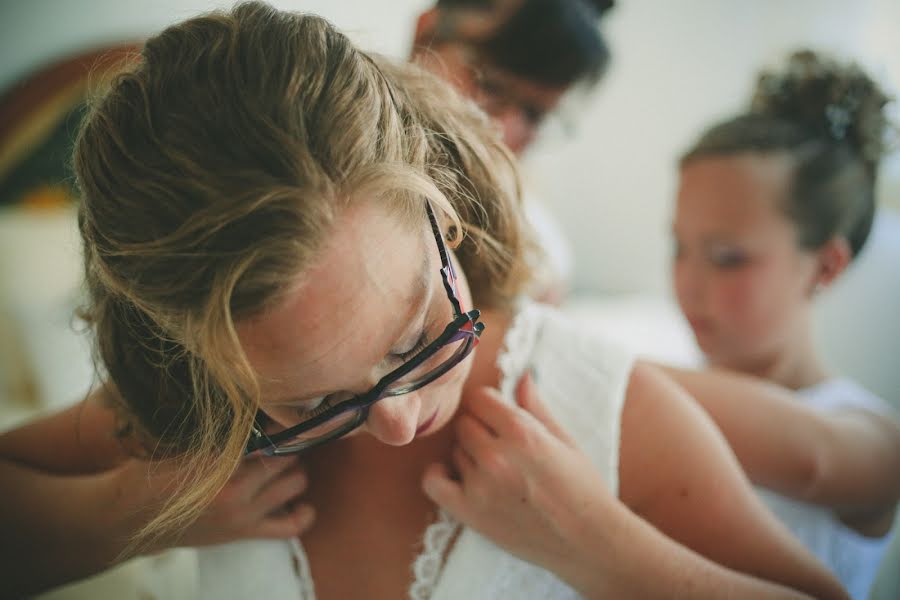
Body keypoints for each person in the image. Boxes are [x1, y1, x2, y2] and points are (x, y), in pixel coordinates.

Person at [1, 4, 849, 598]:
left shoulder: (586, 399)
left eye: (417, 338)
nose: (401, 422)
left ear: (441, 212)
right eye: (310, 403)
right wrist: (133, 514)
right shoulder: (188, 421)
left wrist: (605, 553)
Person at [661, 50, 900, 600]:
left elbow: (811, 461)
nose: (687, 284)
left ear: (826, 265)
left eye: (726, 257)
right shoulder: (671, 378)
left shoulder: (873, 439)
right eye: (679, 247)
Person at [409, 0, 616, 304]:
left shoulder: (539, 241)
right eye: (490, 86)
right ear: (425, 35)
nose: (503, 131)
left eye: (534, 115)